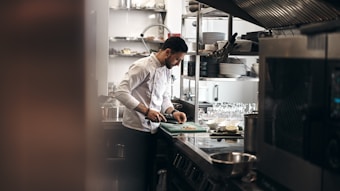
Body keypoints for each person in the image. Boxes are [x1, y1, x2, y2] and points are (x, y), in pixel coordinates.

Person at [114, 36, 188, 191]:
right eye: (177, 59)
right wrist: (146, 111)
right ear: (168, 52)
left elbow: (164, 96)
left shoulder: (166, 70)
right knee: (132, 179)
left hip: (153, 132)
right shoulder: (142, 66)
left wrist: (173, 111)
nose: (178, 64)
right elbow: (120, 92)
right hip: (135, 132)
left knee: (147, 179)